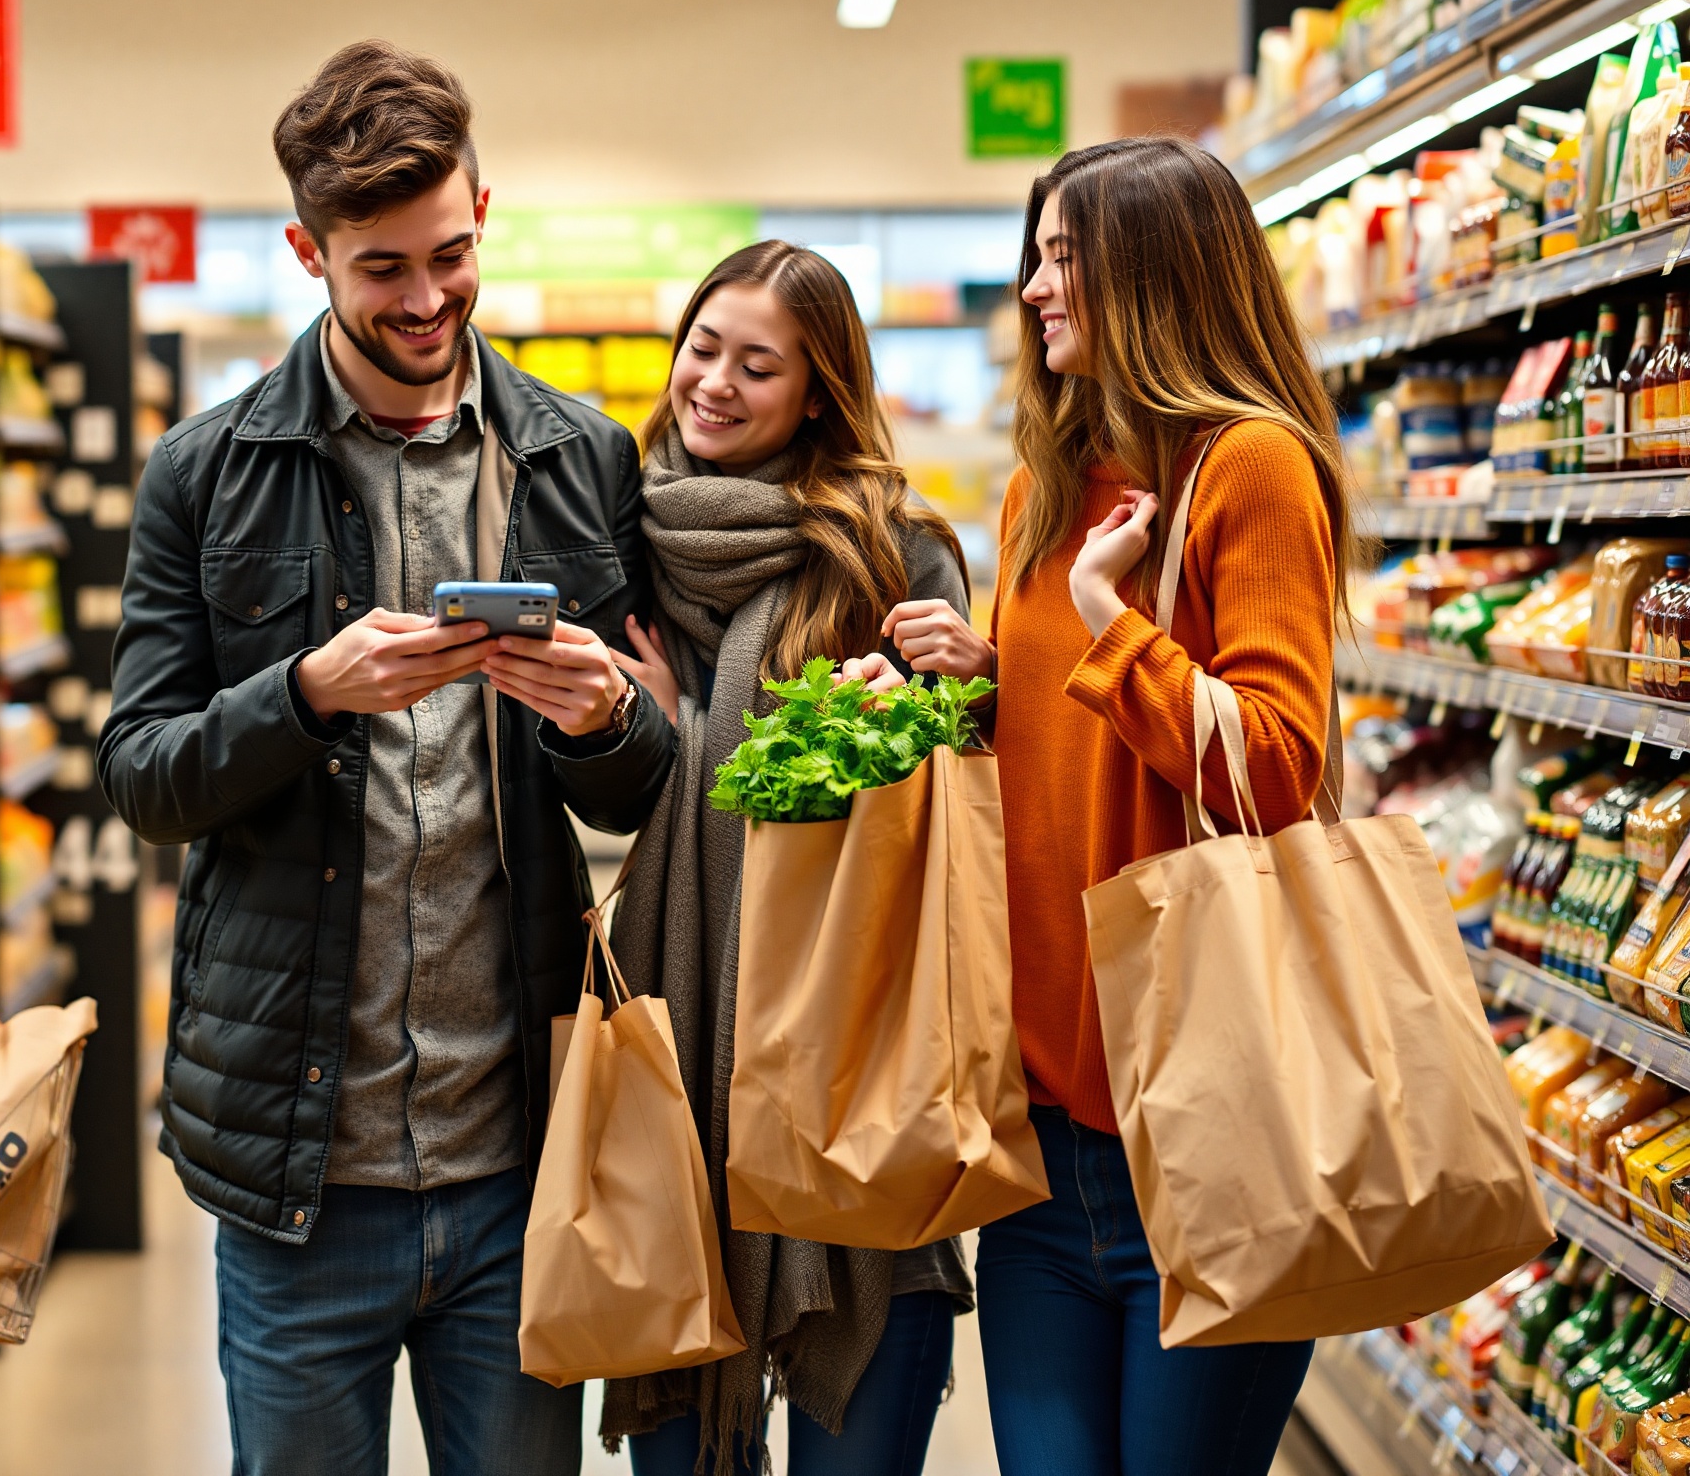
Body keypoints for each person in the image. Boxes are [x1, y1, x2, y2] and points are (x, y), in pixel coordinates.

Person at [96, 39, 675, 1476]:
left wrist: (607, 716)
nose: (426, 300)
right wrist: (303, 693)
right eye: (380, 270)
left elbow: (637, 788)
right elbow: (143, 774)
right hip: (298, 1176)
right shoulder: (209, 471)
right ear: (309, 251)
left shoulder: (577, 457)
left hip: (517, 1155)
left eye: (451, 253)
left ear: (487, 207)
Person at [869, 137, 1342, 1476]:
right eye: (1037, 256)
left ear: (1152, 273)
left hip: (1204, 1128)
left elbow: (1268, 766)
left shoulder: (1251, 471)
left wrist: (1101, 616)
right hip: (1043, 1135)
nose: (1032, 288)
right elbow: (1069, 758)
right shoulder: (1040, 489)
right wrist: (966, 689)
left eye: (1063, 258)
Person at [564, 240, 974, 1476]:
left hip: (857, 1070)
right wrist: (638, 731)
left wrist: (954, 690)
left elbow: (951, 803)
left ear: (817, 391)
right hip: (681, 1068)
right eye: (704, 348)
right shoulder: (618, 541)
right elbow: (597, 785)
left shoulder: (891, 551)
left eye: (759, 364)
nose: (716, 384)